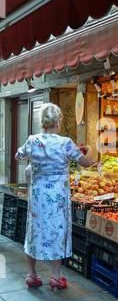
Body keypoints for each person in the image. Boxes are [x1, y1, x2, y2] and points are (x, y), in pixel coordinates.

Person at [15, 103, 96, 290]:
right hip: (58, 197)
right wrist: (89, 151)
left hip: (38, 195)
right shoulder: (65, 143)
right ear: (58, 121)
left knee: (34, 230)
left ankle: (32, 275)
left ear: (42, 121)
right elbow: (85, 163)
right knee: (57, 231)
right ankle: (56, 276)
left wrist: (36, 160)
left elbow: (18, 156)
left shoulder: (32, 140)